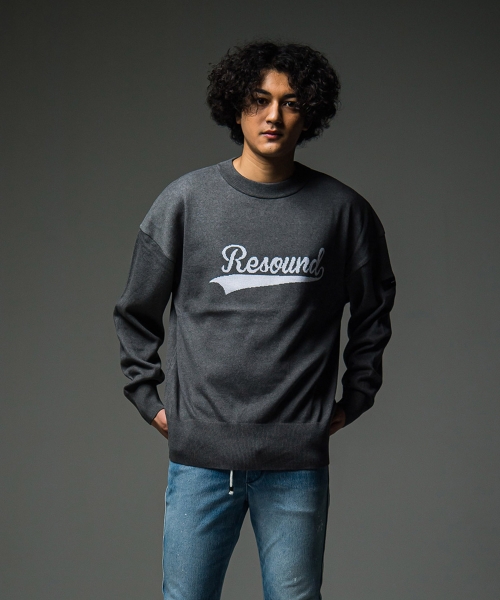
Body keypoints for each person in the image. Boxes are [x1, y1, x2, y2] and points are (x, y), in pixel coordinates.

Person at [113, 39, 396, 600]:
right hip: (200, 460)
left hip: (296, 462)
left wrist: (358, 394)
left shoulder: (343, 212)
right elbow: (135, 311)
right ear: (236, 107)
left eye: (291, 102)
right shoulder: (185, 202)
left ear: (309, 113)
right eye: (260, 100)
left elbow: (374, 310)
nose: (274, 116)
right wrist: (148, 397)